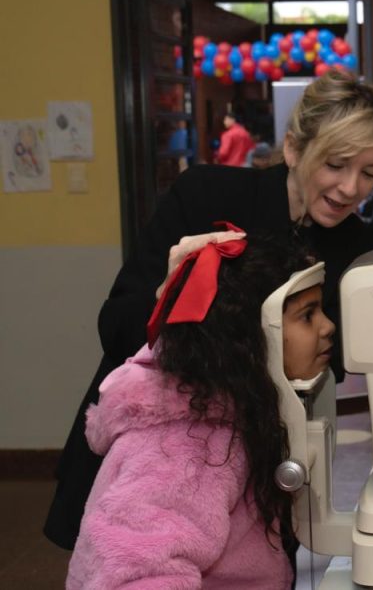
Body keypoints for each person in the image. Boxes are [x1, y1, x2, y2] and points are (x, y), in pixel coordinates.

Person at [46, 70, 373, 550]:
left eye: (370, 173)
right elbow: (118, 325)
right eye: (336, 164)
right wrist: (172, 293)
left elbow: (325, 366)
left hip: (252, 472)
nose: (352, 188)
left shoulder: (354, 248)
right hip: (151, 455)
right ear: (294, 149)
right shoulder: (206, 194)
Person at [66, 231, 332, 588]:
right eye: (307, 316)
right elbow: (135, 573)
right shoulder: (187, 444)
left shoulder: (228, 410)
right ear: (254, 337)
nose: (328, 326)